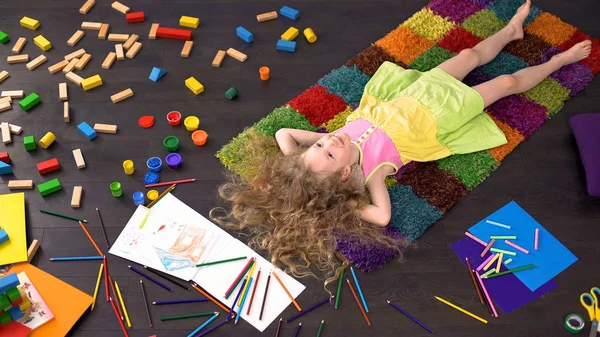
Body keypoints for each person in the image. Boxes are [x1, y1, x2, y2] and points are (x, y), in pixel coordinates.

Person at [211, 0, 592, 287]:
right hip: (441, 116)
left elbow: (285, 136)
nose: (327, 139)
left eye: (319, 145)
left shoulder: (335, 142)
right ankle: (559, 62)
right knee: (506, 85)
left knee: (468, 55)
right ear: (345, 172)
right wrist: (347, 194)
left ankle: (511, 32)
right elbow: (381, 216)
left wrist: (305, 165)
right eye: (329, 150)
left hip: (418, 93)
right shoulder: (370, 173)